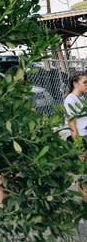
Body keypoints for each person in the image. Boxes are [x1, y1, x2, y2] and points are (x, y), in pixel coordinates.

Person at [64, 72, 87, 201]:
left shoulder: (81, 98)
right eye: (85, 82)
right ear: (75, 83)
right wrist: (78, 146)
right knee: (83, 172)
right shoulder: (70, 100)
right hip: (81, 138)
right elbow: (72, 124)